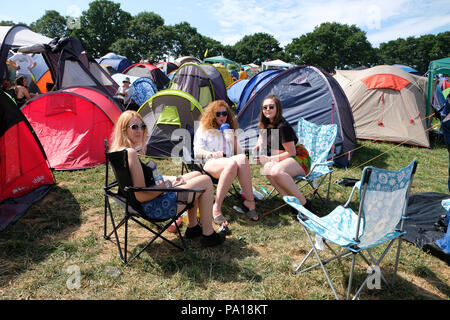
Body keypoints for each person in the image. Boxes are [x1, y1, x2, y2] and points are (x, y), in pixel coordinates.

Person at [110, 110, 225, 247]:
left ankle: (193, 227)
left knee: (196, 175)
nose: (140, 130)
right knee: (205, 181)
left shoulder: (116, 151)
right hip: (154, 207)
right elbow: (140, 195)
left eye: (142, 126)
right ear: (123, 129)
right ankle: (208, 234)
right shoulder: (130, 153)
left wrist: (170, 180)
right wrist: (167, 186)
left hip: (146, 201)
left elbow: (138, 185)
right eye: (134, 127)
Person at [194, 100, 260, 226]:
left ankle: (250, 201)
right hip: (210, 162)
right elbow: (197, 151)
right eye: (218, 114)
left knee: (241, 159)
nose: (221, 117)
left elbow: (240, 154)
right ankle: (216, 207)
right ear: (212, 115)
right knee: (233, 163)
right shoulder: (204, 128)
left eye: (224, 114)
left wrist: (233, 139)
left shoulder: (230, 129)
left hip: (230, 163)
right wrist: (210, 154)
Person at [253, 94, 313, 211]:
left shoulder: (282, 126)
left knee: (276, 171)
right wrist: (258, 144)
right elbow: (261, 135)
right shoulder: (266, 124)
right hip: (283, 157)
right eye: (265, 107)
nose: (268, 109)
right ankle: (291, 202)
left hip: (300, 158)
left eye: (271, 107)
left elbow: (291, 153)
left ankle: (304, 203)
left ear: (277, 108)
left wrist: (269, 158)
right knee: (266, 169)